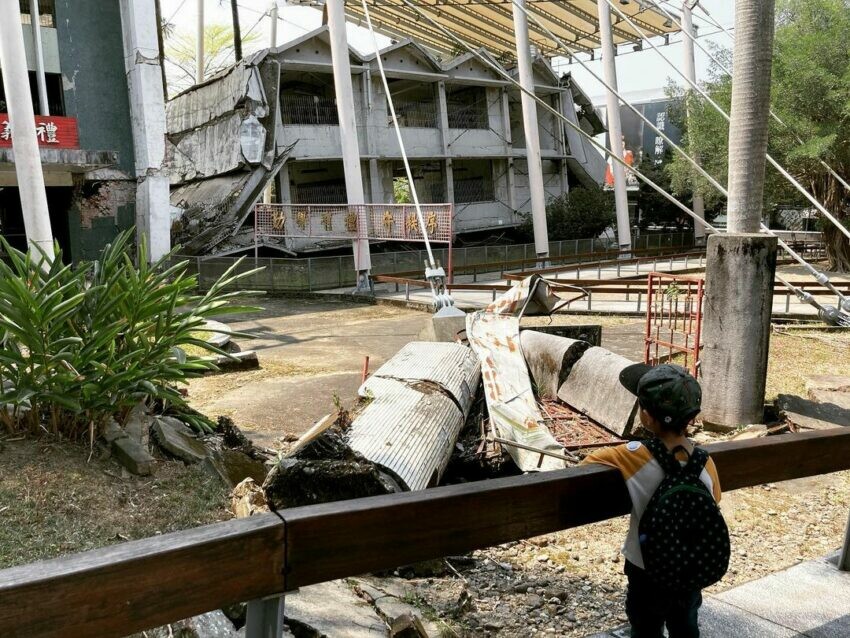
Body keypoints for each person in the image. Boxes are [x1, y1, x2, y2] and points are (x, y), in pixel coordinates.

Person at [582, 363, 724, 638]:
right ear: (691, 417)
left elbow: (587, 464)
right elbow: (714, 499)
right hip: (690, 567)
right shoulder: (705, 462)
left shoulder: (632, 455)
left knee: (645, 627)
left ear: (646, 417)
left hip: (646, 567)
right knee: (686, 625)